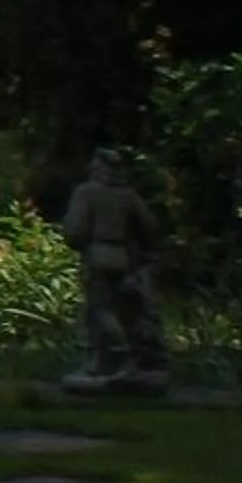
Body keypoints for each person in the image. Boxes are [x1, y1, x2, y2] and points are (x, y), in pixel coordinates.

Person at [60, 149, 169, 396]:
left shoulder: (86, 192)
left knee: (100, 310)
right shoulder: (128, 195)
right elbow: (150, 226)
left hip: (98, 255)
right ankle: (100, 363)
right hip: (122, 257)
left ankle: (123, 357)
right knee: (119, 309)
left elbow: (74, 230)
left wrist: (77, 239)